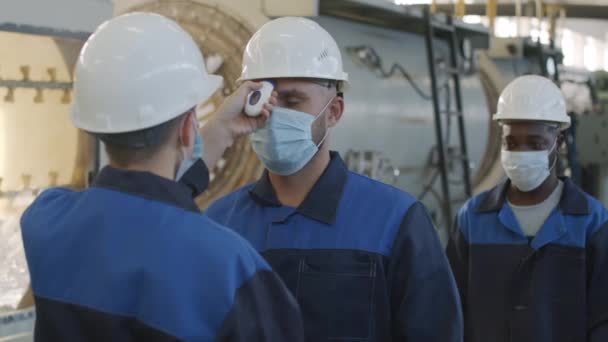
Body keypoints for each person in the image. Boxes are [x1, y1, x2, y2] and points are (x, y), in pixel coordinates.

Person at [20, 12, 303, 342]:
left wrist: (221, 130)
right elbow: (157, 214)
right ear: (187, 130)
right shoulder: (231, 268)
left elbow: (142, 210)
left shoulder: (45, 221)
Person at [205, 17, 463, 342]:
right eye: (263, 99)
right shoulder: (220, 221)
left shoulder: (396, 221)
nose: (274, 113)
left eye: (293, 101)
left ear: (334, 112)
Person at [446, 75, 608, 342]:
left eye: (535, 144)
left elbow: (603, 317)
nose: (521, 154)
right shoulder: (473, 218)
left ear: (560, 140)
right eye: (512, 143)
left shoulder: (592, 223)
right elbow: (451, 306)